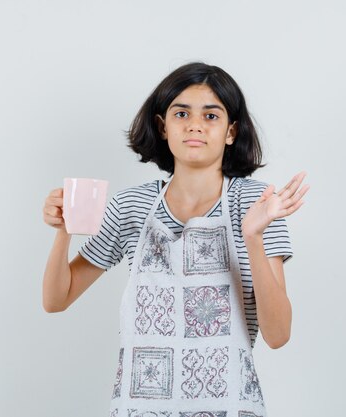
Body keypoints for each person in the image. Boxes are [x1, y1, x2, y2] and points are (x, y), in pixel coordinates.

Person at [42, 62, 309, 417]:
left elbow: (278, 335)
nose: (195, 124)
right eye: (181, 113)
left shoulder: (258, 204)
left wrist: (252, 236)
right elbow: (56, 299)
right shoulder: (132, 206)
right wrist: (64, 231)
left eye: (211, 116)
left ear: (231, 131)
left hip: (229, 407)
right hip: (140, 407)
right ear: (162, 126)